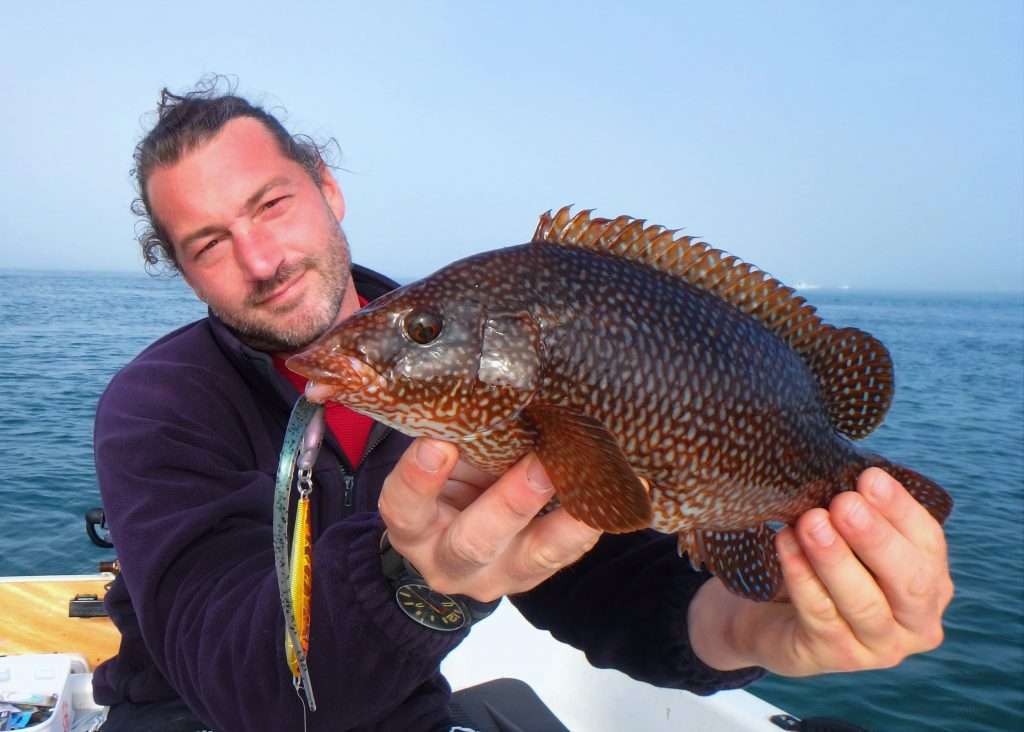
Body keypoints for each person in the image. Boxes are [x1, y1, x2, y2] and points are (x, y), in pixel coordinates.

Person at [92, 79, 954, 732]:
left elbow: (604, 574)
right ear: (182, 268)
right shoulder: (154, 408)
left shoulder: (459, 354)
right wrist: (412, 578)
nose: (261, 257)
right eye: (208, 242)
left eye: (270, 204)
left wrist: (763, 630)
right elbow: (234, 678)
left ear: (326, 188)